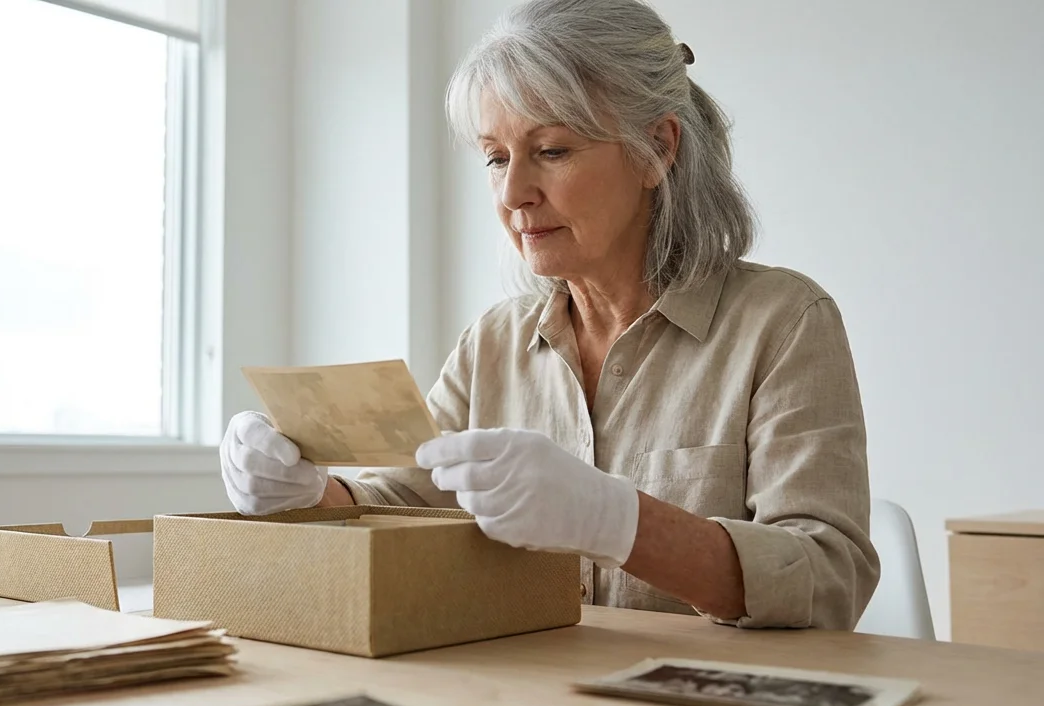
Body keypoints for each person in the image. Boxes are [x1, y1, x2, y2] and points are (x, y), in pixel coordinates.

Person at [218, 0, 878, 630]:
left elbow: (829, 580)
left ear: (658, 149)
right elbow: (404, 508)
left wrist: (619, 522)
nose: (513, 194)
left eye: (552, 151)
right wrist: (305, 494)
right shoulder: (493, 343)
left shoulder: (784, 322)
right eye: (496, 158)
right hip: (530, 705)